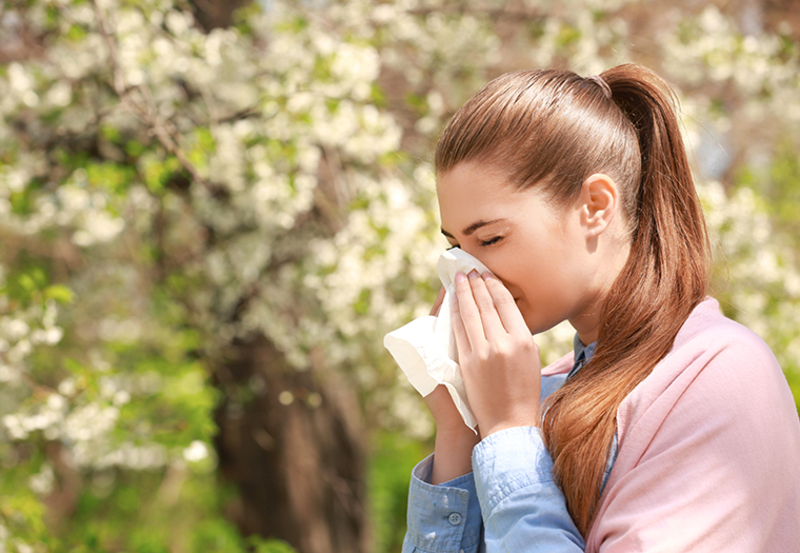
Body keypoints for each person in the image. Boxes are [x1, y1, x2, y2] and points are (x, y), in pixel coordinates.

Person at [401, 63, 800, 552]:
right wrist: (461, 428)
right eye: (456, 247)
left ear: (594, 205)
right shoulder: (544, 392)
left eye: (490, 238)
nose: (468, 273)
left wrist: (507, 433)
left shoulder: (718, 377)